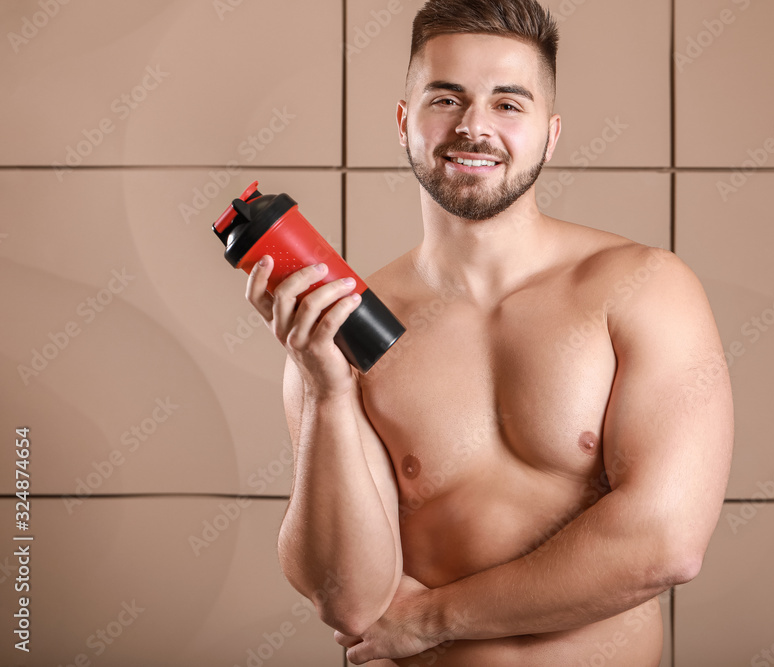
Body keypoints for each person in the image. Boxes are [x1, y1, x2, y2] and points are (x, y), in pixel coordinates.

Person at [245, 0, 734, 664]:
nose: (475, 127)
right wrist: (327, 391)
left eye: (509, 104)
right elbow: (349, 598)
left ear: (550, 134)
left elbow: (664, 540)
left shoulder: (644, 287)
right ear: (403, 121)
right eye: (446, 99)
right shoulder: (344, 330)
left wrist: (433, 619)